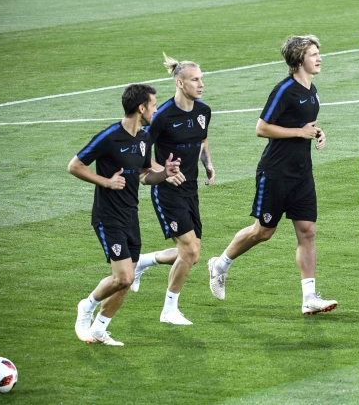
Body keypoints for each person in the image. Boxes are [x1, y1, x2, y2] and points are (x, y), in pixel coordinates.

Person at [206, 36, 338, 315]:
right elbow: (262, 127)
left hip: (302, 173)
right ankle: (220, 265)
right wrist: (299, 132)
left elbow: (304, 125)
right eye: (313, 54)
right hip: (275, 173)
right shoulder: (284, 90)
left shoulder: (312, 90)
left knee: (308, 231)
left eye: (318, 53)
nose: (319, 58)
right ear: (299, 60)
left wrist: (316, 132)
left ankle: (309, 297)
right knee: (263, 232)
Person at [69, 84, 183, 346]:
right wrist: (105, 182)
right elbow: (74, 165)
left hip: (130, 215)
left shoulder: (143, 139)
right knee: (125, 277)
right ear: (141, 108)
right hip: (108, 217)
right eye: (153, 104)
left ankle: (100, 329)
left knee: (125, 282)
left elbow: (144, 176)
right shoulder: (110, 136)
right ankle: (86, 308)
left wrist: (164, 174)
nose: (156, 108)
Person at [131, 55, 215, 325]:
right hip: (167, 191)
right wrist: (164, 173)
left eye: (201, 78)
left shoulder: (203, 111)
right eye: (195, 79)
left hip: (190, 188)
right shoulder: (163, 116)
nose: (201, 84)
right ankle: (169, 310)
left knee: (192, 253)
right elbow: (140, 154)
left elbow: (202, 139)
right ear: (180, 83)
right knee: (189, 251)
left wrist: (208, 163)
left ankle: (142, 262)